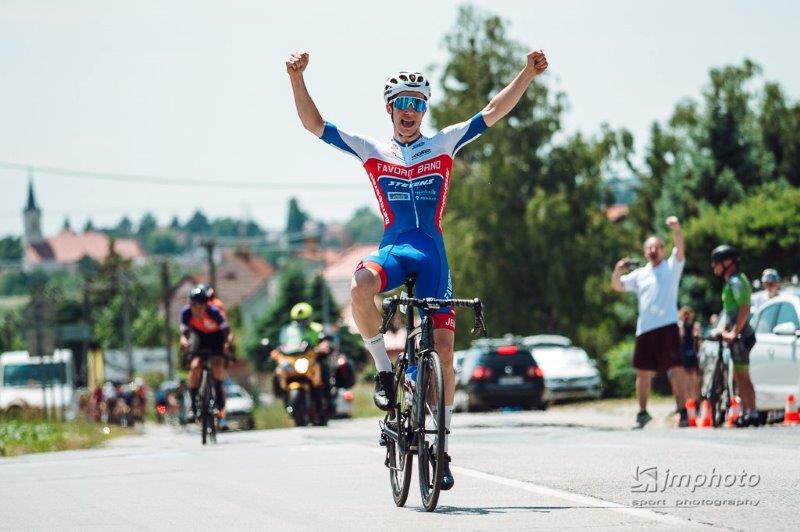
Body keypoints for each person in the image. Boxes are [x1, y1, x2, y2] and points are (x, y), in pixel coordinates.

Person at [287, 48, 548, 489]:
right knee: (359, 285)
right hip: (394, 247)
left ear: (424, 110)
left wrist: (526, 73)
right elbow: (315, 125)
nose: (409, 110)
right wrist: (297, 78)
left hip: (431, 253)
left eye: (417, 103)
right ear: (389, 109)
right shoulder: (372, 149)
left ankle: (441, 448)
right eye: (401, 103)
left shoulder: (443, 142)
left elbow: (491, 111)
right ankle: (384, 372)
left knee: (444, 350)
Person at [612, 217, 688, 428]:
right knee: (642, 372)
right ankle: (642, 412)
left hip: (668, 326)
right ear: (645, 252)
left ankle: (682, 410)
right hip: (645, 329)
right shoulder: (640, 275)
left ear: (662, 250)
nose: (653, 250)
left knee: (676, 369)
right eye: (649, 247)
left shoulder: (671, 268)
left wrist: (676, 230)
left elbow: (680, 250)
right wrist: (618, 270)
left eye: (656, 247)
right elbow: (617, 286)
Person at [710, 245, 759, 426]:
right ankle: (746, 411)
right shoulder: (729, 282)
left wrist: (734, 332)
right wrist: (721, 329)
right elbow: (729, 312)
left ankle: (752, 413)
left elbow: (744, 308)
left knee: (743, 376)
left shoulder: (736, 281)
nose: (713, 266)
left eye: (716, 262)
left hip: (742, 335)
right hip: (735, 335)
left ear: (727, 262)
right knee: (739, 376)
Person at [179, 285, 231, 427]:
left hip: (216, 337)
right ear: (190, 304)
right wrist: (184, 341)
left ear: (206, 304)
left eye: (201, 305)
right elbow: (184, 333)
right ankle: (193, 406)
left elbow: (226, 331)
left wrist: (226, 344)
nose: (197, 308)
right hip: (199, 336)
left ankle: (220, 408)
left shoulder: (214, 312)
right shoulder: (186, 312)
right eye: (194, 305)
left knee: (217, 366)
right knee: (195, 366)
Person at [678, 306, 702, 403]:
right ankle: (689, 401)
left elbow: (698, 341)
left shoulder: (695, 326)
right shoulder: (681, 326)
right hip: (684, 354)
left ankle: (695, 400)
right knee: (686, 379)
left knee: (694, 379)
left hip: (693, 354)